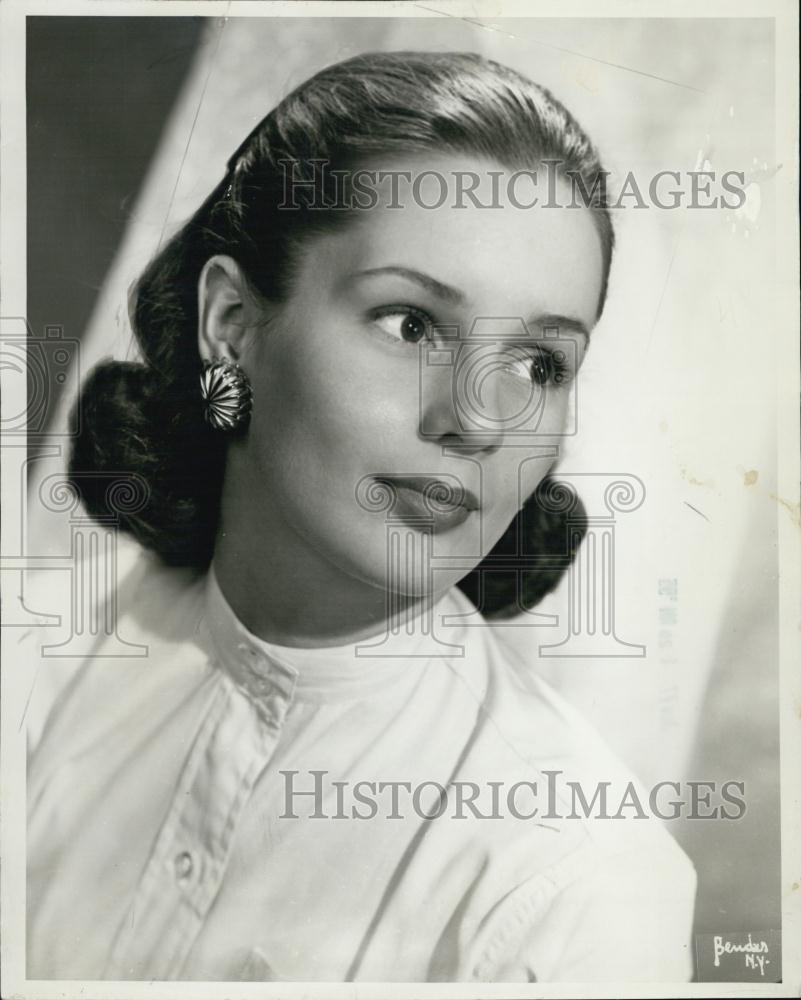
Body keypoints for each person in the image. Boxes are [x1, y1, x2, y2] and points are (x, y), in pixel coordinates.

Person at [26, 51, 696, 982]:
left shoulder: (575, 884)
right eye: (412, 324)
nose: (475, 419)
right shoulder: (50, 658)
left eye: (539, 365)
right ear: (231, 322)